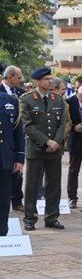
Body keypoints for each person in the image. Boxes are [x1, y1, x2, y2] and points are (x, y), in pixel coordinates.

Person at [20, 67, 68, 231]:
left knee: (54, 185)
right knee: (32, 185)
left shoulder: (57, 99)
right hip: (35, 149)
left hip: (54, 149)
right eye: (47, 79)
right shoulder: (27, 99)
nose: (50, 81)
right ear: (37, 81)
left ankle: (52, 217)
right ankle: (30, 218)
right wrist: (46, 141)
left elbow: (62, 123)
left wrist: (56, 142)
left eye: (51, 78)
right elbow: (27, 125)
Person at [0, 76, 24, 236]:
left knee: (3, 197)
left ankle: (2, 231)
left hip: (4, 156)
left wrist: (19, 158)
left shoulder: (10, 100)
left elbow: (17, 132)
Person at [65, 80, 82, 208]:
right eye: (77, 88)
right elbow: (65, 122)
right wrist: (74, 128)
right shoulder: (69, 102)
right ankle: (72, 197)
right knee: (74, 170)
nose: (79, 91)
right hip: (76, 140)